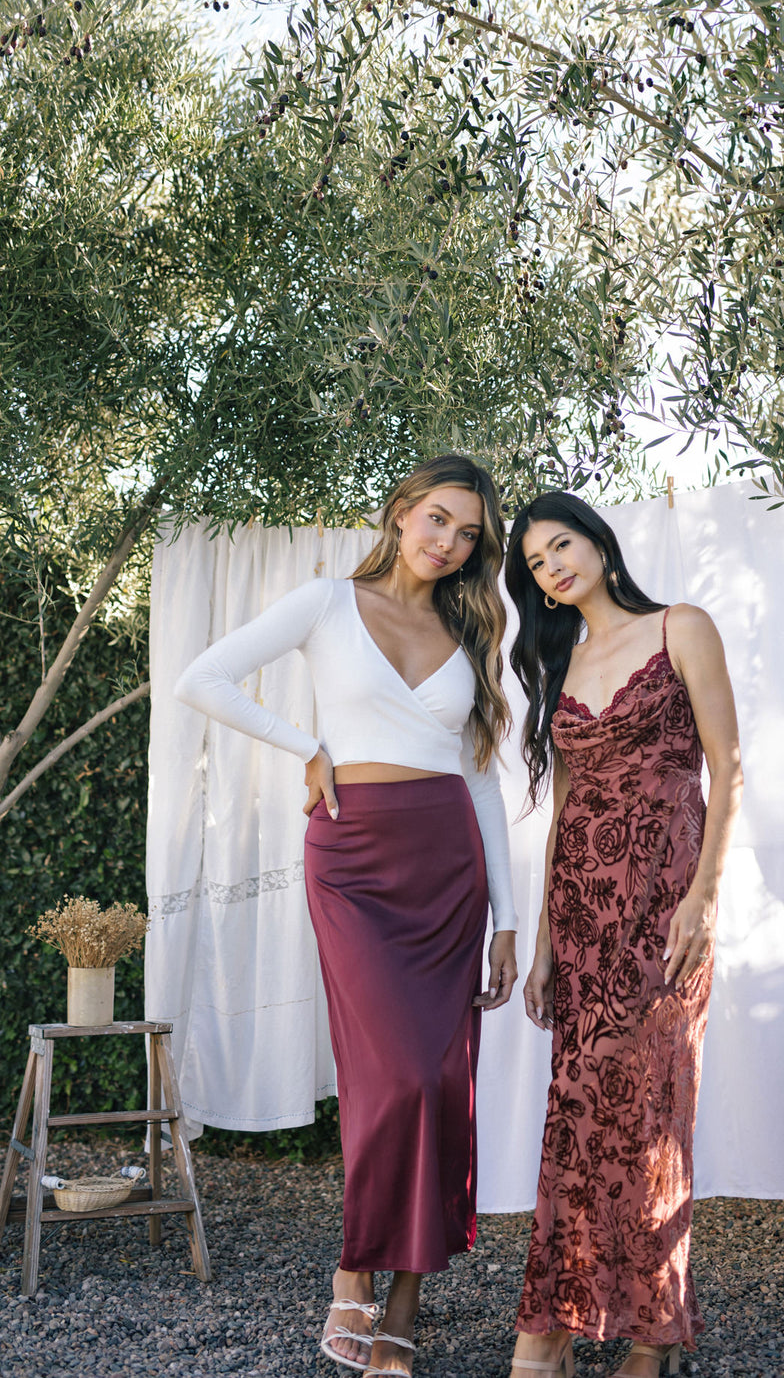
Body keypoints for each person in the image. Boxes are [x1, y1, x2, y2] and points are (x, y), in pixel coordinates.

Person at [175, 455, 518, 1378]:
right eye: (438, 520)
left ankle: (403, 1298)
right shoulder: (326, 604)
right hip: (355, 859)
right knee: (392, 1078)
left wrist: (509, 920)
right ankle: (352, 1269)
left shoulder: (472, 629)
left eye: (469, 535)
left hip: (448, 865)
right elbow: (201, 678)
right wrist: (307, 746)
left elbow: (482, 780)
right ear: (402, 512)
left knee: (444, 1082)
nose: (449, 544)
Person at [503, 492, 742, 1378]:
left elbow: (730, 764)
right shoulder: (556, 657)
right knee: (575, 1116)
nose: (553, 566)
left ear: (599, 542)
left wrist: (704, 897)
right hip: (582, 915)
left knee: (650, 1116)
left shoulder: (683, 626)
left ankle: (650, 1337)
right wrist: (539, 945)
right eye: (535, 563)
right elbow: (565, 807)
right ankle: (553, 1324)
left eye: (561, 544)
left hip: (665, 910)